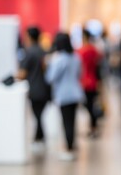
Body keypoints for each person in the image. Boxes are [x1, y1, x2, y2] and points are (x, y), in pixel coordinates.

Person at [45, 32, 84, 161]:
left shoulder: (59, 59)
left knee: (66, 121)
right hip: (76, 92)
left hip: (64, 94)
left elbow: (50, 77)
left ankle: (68, 149)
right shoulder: (76, 57)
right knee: (72, 121)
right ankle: (71, 145)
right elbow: (79, 74)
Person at [15, 27, 51, 151]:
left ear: (29, 36)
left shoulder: (29, 52)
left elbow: (22, 73)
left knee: (37, 115)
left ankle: (39, 138)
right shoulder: (43, 51)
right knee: (39, 115)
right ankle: (39, 137)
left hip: (35, 89)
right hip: (45, 88)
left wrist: (14, 76)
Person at [77, 29, 102, 138]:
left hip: (85, 81)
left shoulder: (81, 51)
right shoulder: (95, 50)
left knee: (89, 105)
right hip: (94, 80)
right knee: (91, 104)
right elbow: (98, 66)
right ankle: (93, 127)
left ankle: (93, 127)